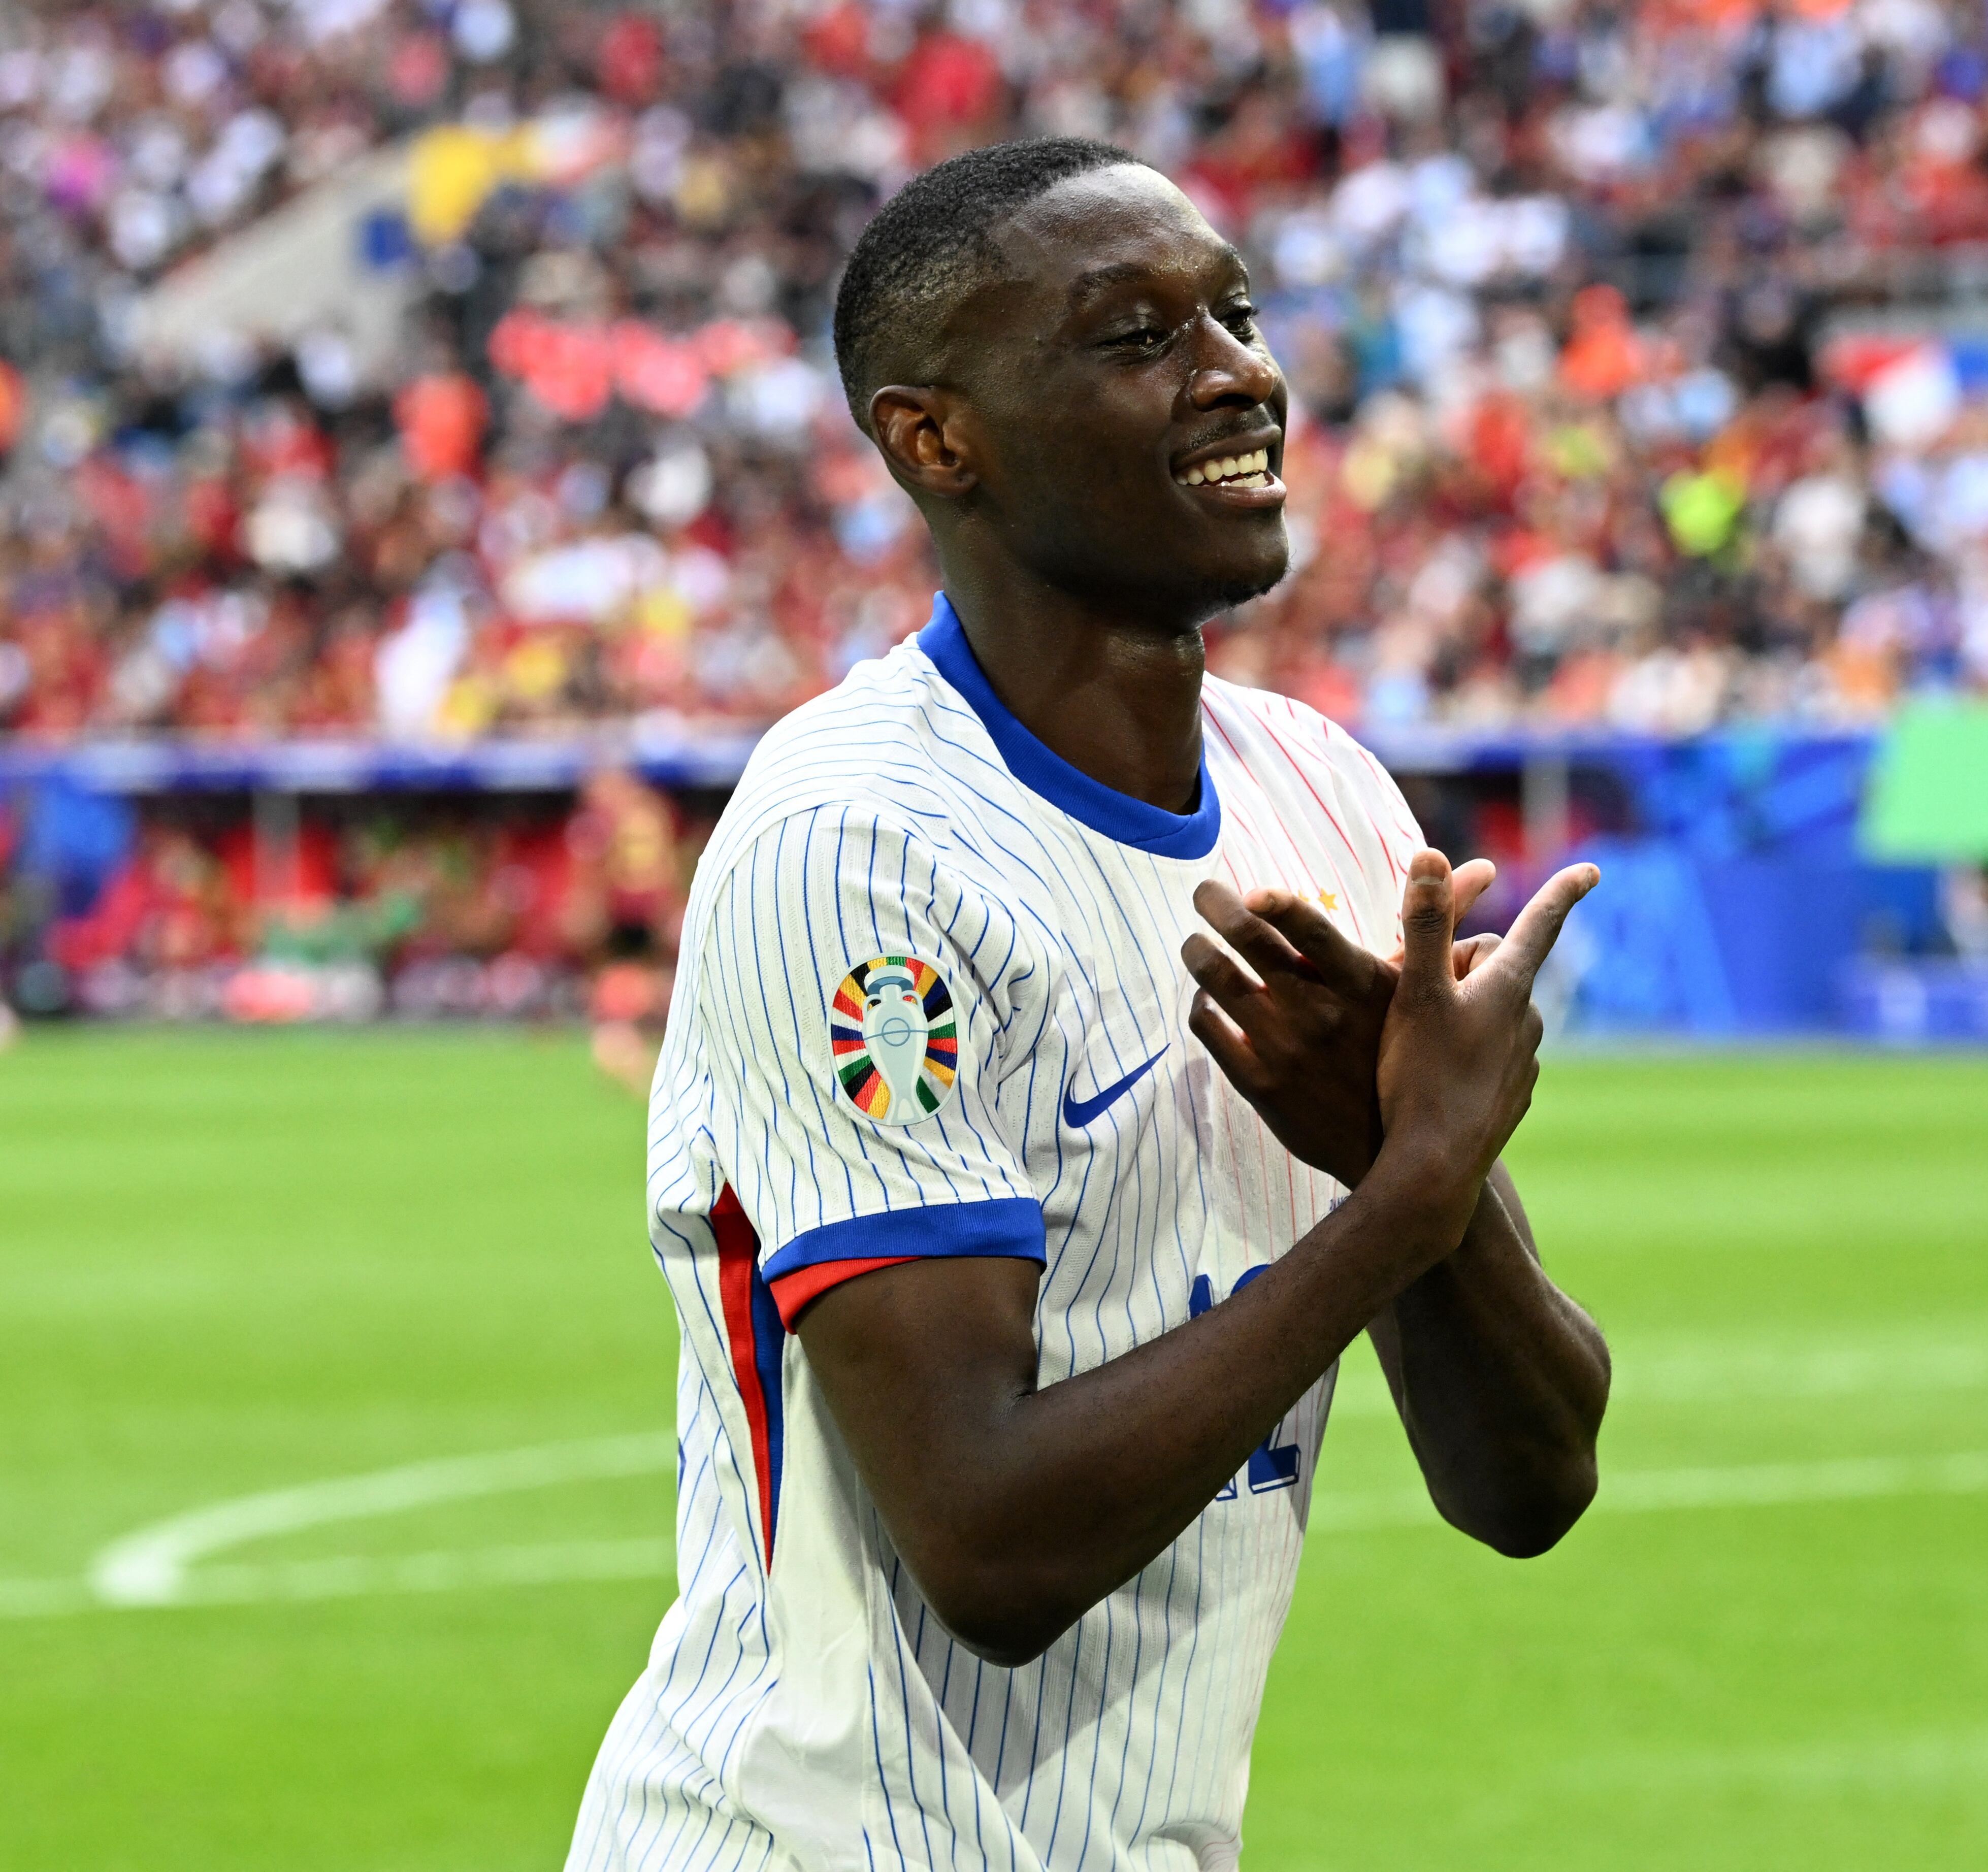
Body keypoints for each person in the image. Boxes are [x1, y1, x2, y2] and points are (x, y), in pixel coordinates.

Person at [566, 139, 1611, 1872]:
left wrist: (1422, 1190)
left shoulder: (1331, 800)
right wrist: (1400, 1202)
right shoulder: (859, 847)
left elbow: (1530, 1486)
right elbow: (990, 1543)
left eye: (1238, 313)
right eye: (1135, 337)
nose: (1237, 375)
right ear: (935, 439)